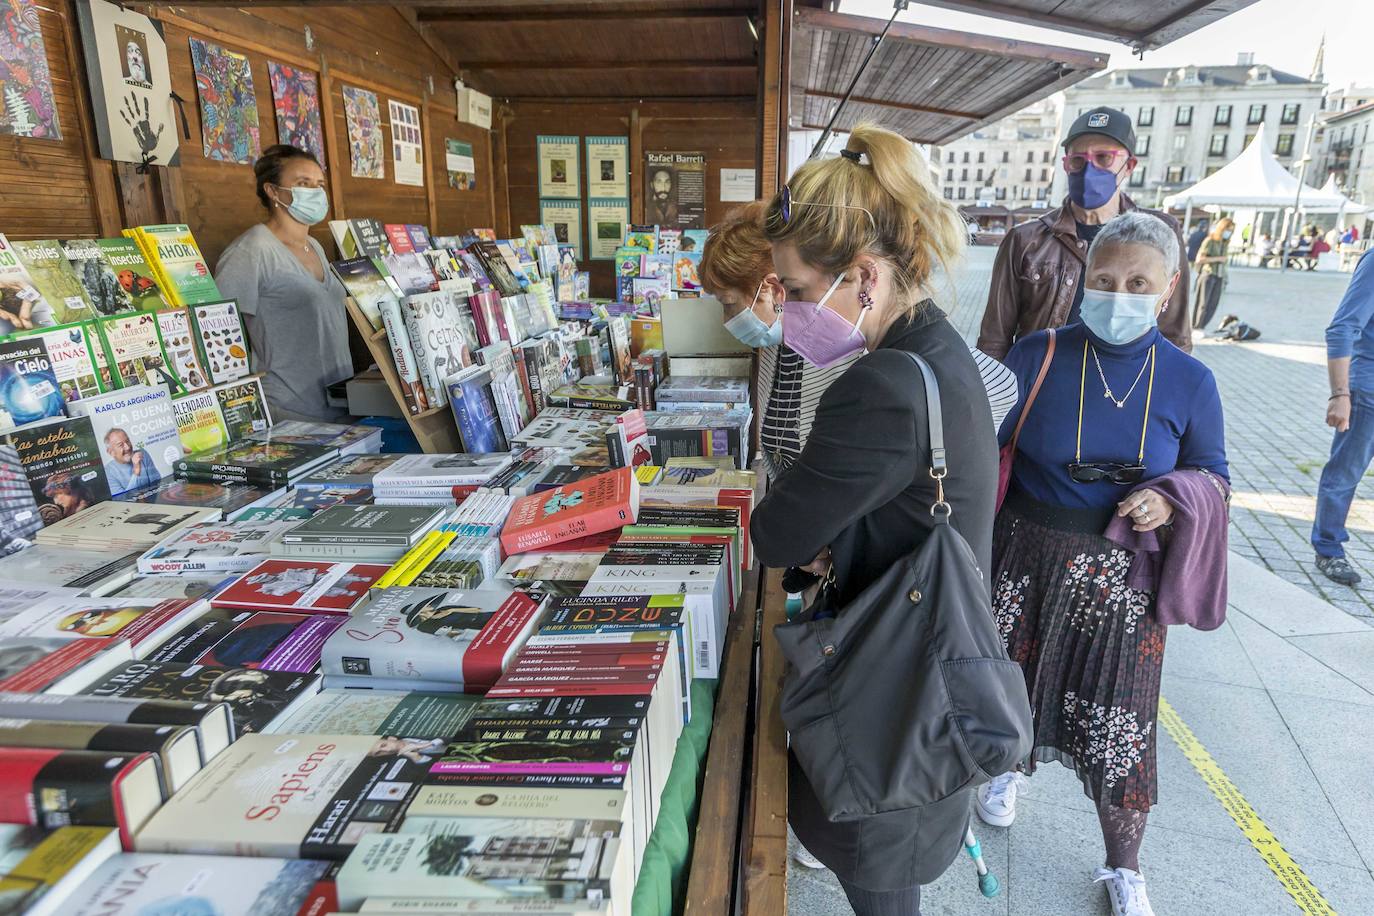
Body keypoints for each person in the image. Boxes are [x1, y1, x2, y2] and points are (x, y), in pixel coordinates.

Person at [750, 123, 999, 915]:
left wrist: (813, 529)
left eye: (792, 289)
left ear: (861, 276)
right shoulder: (936, 351)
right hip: (923, 668)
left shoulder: (883, 382)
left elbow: (774, 534)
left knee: (881, 885)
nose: (786, 309)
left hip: (892, 690)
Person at [982, 211, 1229, 916]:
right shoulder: (1038, 353)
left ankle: (1124, 867)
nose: (1119, 294)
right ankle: (1006, 771)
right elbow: (984, 445)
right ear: (1084, 278)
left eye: (1138, 283)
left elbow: (1214, 474)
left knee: (1121, 724)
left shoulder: (1190, 380)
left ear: (1170, 288)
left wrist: (1172, 498)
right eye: (1105, 279)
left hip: (1124, 579)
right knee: (1008, 690)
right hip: (1025, 557)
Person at [701, 201, 1018, 484]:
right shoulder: (775, 342)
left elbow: (997, 384)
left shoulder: (847, 337)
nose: (725, 318)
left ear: (774, 288)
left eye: (728, 303)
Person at [978, 106, 1192, 360]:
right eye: (1078, 160)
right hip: (1042, 385)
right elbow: (994, 341)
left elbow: (1176, 335)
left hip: (1125, 388)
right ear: (1066, 165)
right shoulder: (1025, 240)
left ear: (1129, 165)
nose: (1089, 170)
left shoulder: (1161, 234)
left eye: (1103, 158)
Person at [216, 144, 353, 423]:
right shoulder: (251, 250)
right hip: (290, 412)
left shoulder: (314, 245)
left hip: (341, 406)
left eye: (319, 184)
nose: (315, 192)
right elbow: (218, 332)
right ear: (273, 191)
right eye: (303, 183)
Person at [1313, 249, 1374, 585]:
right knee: (1345, 473)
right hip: (1368, 393)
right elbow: (1342, 327)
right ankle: (1329, 547)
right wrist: (1340, 395)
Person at [1191, 216, 1233, 329]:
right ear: (1222, 228)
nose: (1229, 233)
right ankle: (1196, 326)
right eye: (1228, 230)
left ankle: (1202, 326)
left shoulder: (1224, 243)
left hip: (1219, 275)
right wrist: (1218, 259)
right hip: (1208, 274)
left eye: (1231, 231)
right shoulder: (1210, 240)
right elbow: (1199, 259)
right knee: (1202, 303)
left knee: (1213, 303)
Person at [101, 427, 160, 493]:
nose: (128, 447)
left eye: (127, 441)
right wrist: (136, 471)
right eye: (121, 445)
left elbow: (157, 483)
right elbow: (123, 499)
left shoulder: (142, 454)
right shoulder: (108, 472)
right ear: (111, 452)